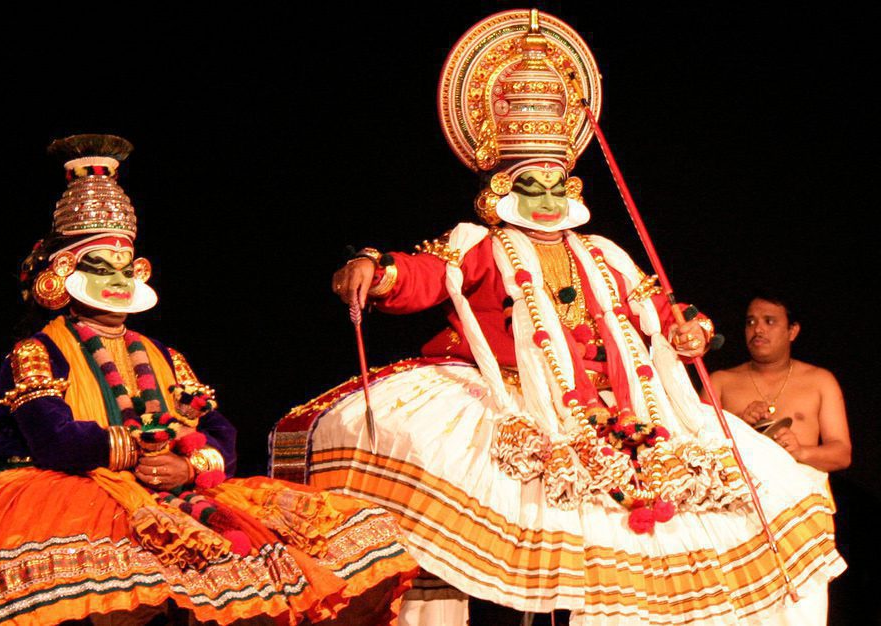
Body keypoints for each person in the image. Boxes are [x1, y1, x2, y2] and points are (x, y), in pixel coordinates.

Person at [271, 9, 844, 626]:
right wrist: (371, 266)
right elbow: (422, 275)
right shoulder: (480, 244)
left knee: (767, 489)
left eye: (556, 187)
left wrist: (691, 328)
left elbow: (664, 306)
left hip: (620, 410)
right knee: (444, 522)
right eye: (531, 187)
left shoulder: (606, 254)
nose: (547, 200)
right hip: (511, 403)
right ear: (502, 190)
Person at [0, 135, 417, 626]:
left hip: (170, 491)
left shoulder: (163, 354)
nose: (121, 280)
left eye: (129, 267)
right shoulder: (36, 351)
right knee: (103, 595)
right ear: (63, 276)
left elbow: (218, 428)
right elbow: (54, 439)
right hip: (67, 492)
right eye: (103, 268)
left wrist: (189, 464)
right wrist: (142, 457)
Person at [702, 295, 851, 472]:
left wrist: (800, 452)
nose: (758, 329)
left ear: (792, 331)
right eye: (750, 322)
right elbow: (697, 448)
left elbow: (842, 455)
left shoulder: (821, 381)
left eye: (769, 321)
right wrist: (740, 427)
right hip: (737, 493)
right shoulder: (720, 382)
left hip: (802, 494)